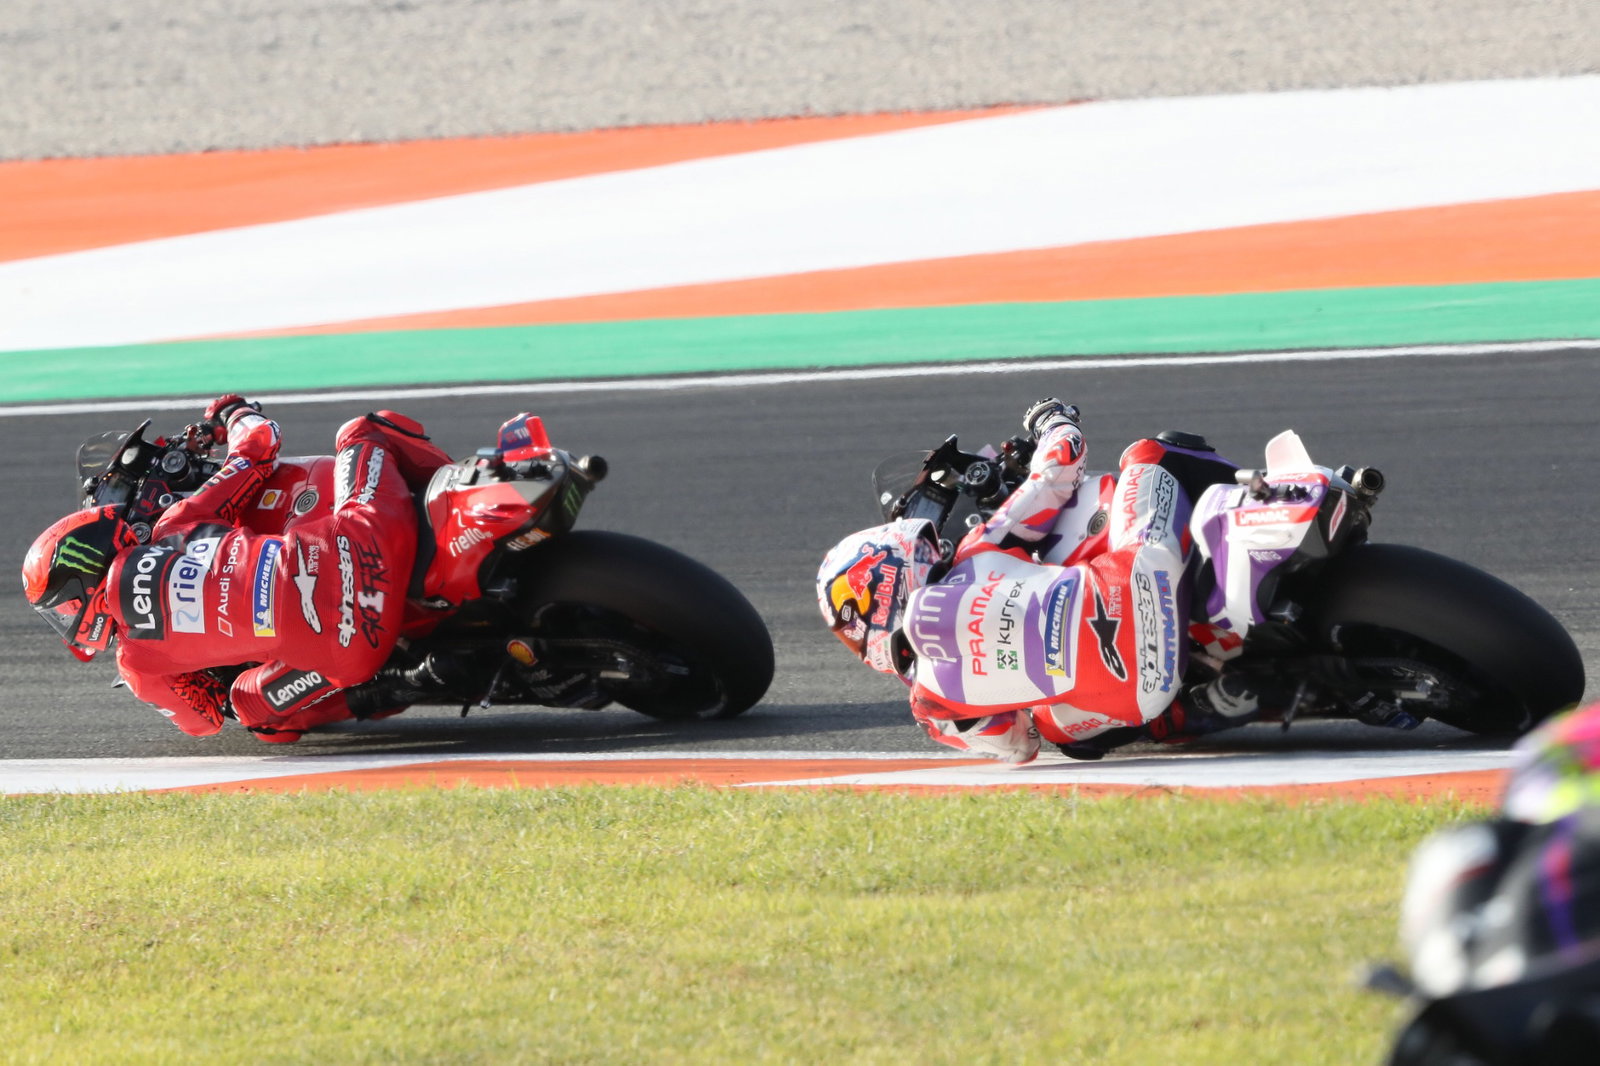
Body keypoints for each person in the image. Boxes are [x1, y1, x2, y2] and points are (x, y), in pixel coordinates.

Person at [816, 398, 1248, 764]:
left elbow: (1019, 746)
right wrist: (1053, 418)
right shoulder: (976, 549)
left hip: (1142, 694)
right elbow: (1057, 470)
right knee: (1153, 453)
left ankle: (1203, 708)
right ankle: (1262, 495)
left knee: (1055, 726)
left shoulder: (930, 707)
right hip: (1144, 574)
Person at [22, 394, 453, 743]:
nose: (68, 619)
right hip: (368, 545)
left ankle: (407, 680)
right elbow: (260, 443)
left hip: (353, 651)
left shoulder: (135, 663)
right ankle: (453, 484)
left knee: (251, 709)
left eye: (64, 608)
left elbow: (204, 720)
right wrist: (233, 412)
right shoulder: (177, 523)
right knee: (362, 431)